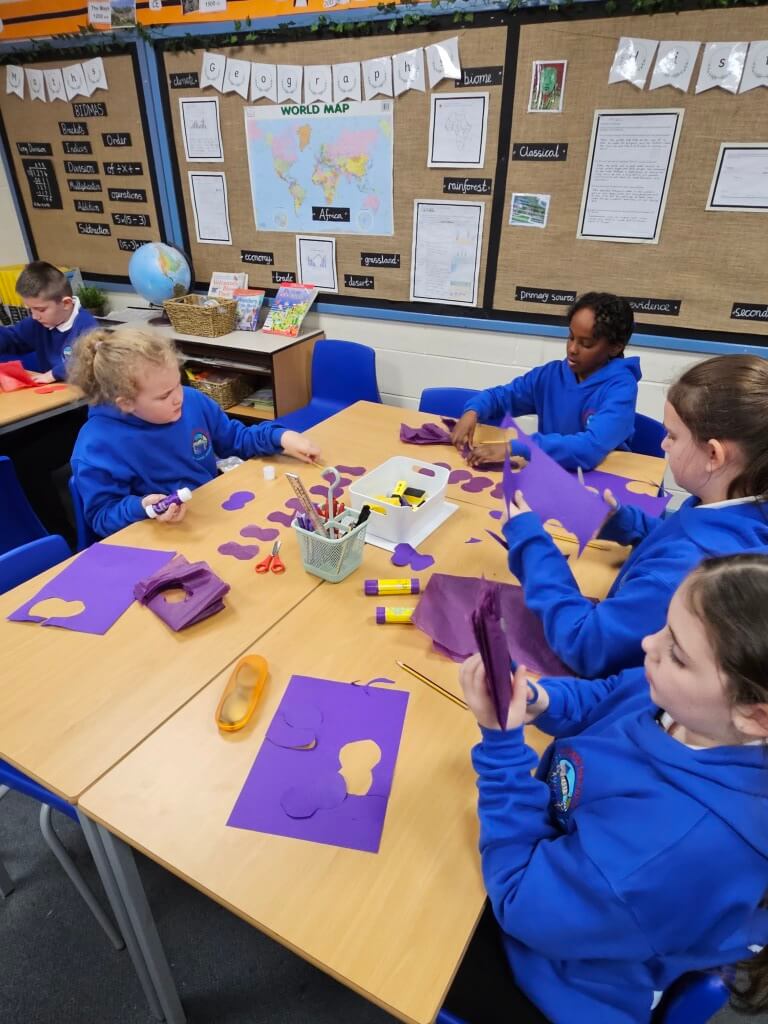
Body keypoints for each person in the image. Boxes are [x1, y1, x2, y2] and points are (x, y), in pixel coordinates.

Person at [445, 552, 768, 1024]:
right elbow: (611, 694)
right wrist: (543, 699)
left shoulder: (676, 844)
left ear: (755, 716)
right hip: (549, 875)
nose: (648, 643)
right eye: (665, 627)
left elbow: (520, 899)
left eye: (678, 654)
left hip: (552, 980)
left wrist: (502, 750)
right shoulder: (692, 708)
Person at [500, 354, 768, 678]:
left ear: (713, 454)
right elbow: (682, 532)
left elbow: (586, 644)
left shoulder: (687, 571)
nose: (663, 443)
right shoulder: (736, 507)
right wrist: (624, 523)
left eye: (673, 435)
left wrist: (530, 543)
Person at [69, 327, 321, 538]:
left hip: (211, 516)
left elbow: (236, 439)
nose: (178, 398)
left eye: (178, 384)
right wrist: (143, 507)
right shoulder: (97, 445)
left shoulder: (192, 402)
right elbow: (102, 517)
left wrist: (280, 437)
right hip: (162, 540)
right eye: (164, 395)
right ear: (126, 403)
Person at [451, 292, 639, 471]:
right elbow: (500, 397)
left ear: (615, 347)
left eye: (586, 344)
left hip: (603, 480)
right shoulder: (550, 375)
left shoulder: (621, 388)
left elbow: (589, 448)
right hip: (551, 473)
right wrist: (473, 411)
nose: (572, 349)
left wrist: (516, 447)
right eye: (571, 337)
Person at [0, 261, 97, 383]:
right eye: (30, 309)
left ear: (66, 303)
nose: (35, 316)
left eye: (41, 310)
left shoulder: (87, 327)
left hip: (77, 390)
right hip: (50, 387)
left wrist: (53, 374)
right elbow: (13, 338)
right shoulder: (37, 322)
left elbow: (87, 361)